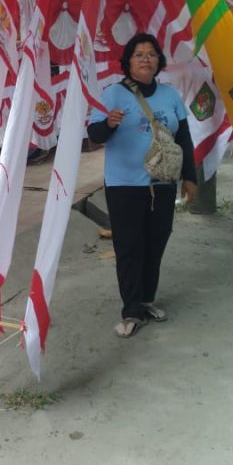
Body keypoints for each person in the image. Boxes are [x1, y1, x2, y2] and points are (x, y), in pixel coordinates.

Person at [87, 33, 197, 338]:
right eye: (138, 54)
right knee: (130, 246)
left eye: (151, 54)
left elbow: (184, 139)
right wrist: (108, 124)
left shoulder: (170, 96)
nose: (146, 59)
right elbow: (94, 135)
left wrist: (190, 177)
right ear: (128, 62)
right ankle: (131, 309)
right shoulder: (112, 95)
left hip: (162, 183)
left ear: (159, 61)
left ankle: (146, 299)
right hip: (124, 186)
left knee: (156, 241)